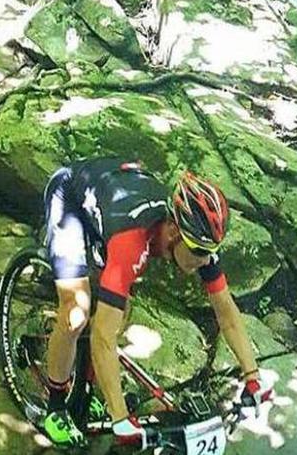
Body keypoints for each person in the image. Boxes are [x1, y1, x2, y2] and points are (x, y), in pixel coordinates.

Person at [40, 157, 273, 447]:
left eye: (211, 251)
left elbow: (227, 313)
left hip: (110, 199)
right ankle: (56, 406)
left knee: (118, 312)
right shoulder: (132, 242)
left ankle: (86, 387)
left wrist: (253, 376)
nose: (205, 259)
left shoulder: (197, 237)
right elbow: (103, 336)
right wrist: (121, 418)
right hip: (71, 198)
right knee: (77, 314)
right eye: (199, 250)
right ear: (174, 231)